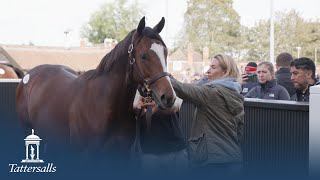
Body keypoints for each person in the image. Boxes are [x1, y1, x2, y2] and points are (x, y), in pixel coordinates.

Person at [170, 54, 245, 176]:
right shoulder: (235, 94)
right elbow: (239, 131)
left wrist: (162, 77)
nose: (208, 71)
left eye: (213, 67)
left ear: (225, 72)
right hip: (233, 159)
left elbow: (185, 90)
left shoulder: (213, 92)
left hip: (211, 162)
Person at [132, 92, 188, 174]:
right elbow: (133, 106)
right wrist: (137, 107)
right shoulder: (136, 87)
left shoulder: (168, 82)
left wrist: (159, 106)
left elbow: (177, 105)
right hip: (150, 153)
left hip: (175, 149)